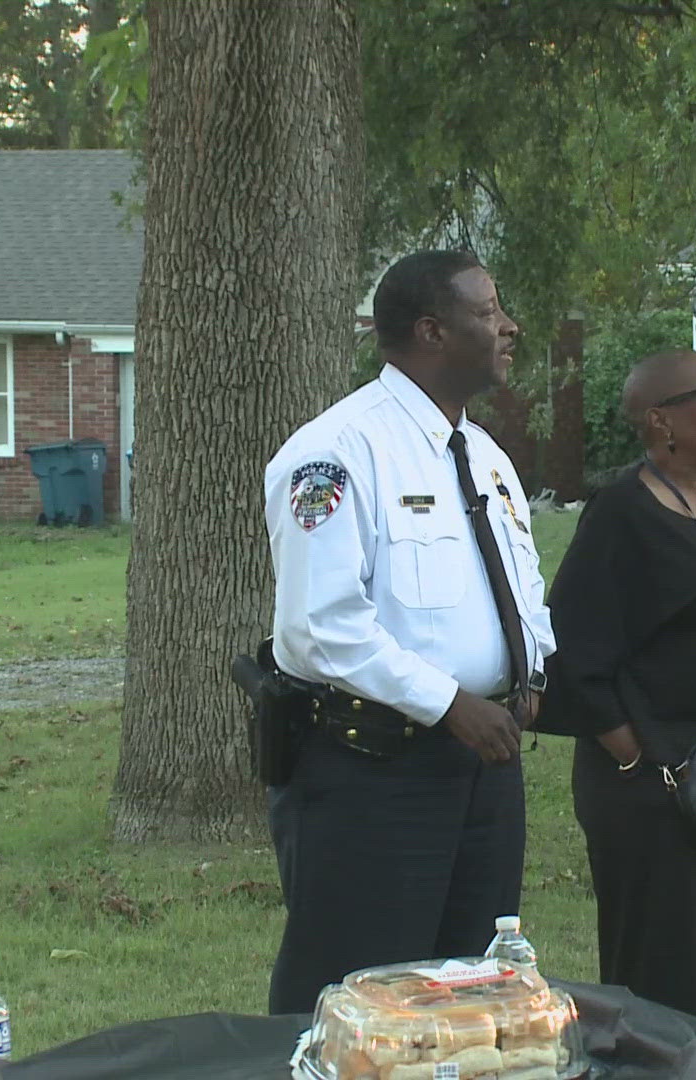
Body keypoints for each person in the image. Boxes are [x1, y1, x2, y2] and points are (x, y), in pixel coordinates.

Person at [261, 249, 555, 1014]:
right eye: (488, 312)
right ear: (432, 330)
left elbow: (521, 591)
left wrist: (532, 673)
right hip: (374, 774)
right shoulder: (336, 453)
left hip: (483, 772)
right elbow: (317, 628)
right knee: (358, 998)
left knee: (472, 996)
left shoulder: (483, 455)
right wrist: (449, 703)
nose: (508, 326)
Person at [540, 350, 696, 1023]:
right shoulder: (620, 515)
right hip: (656, 793)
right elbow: (573, 649)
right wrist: (635, 757)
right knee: (667, 992)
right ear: (662, 421)